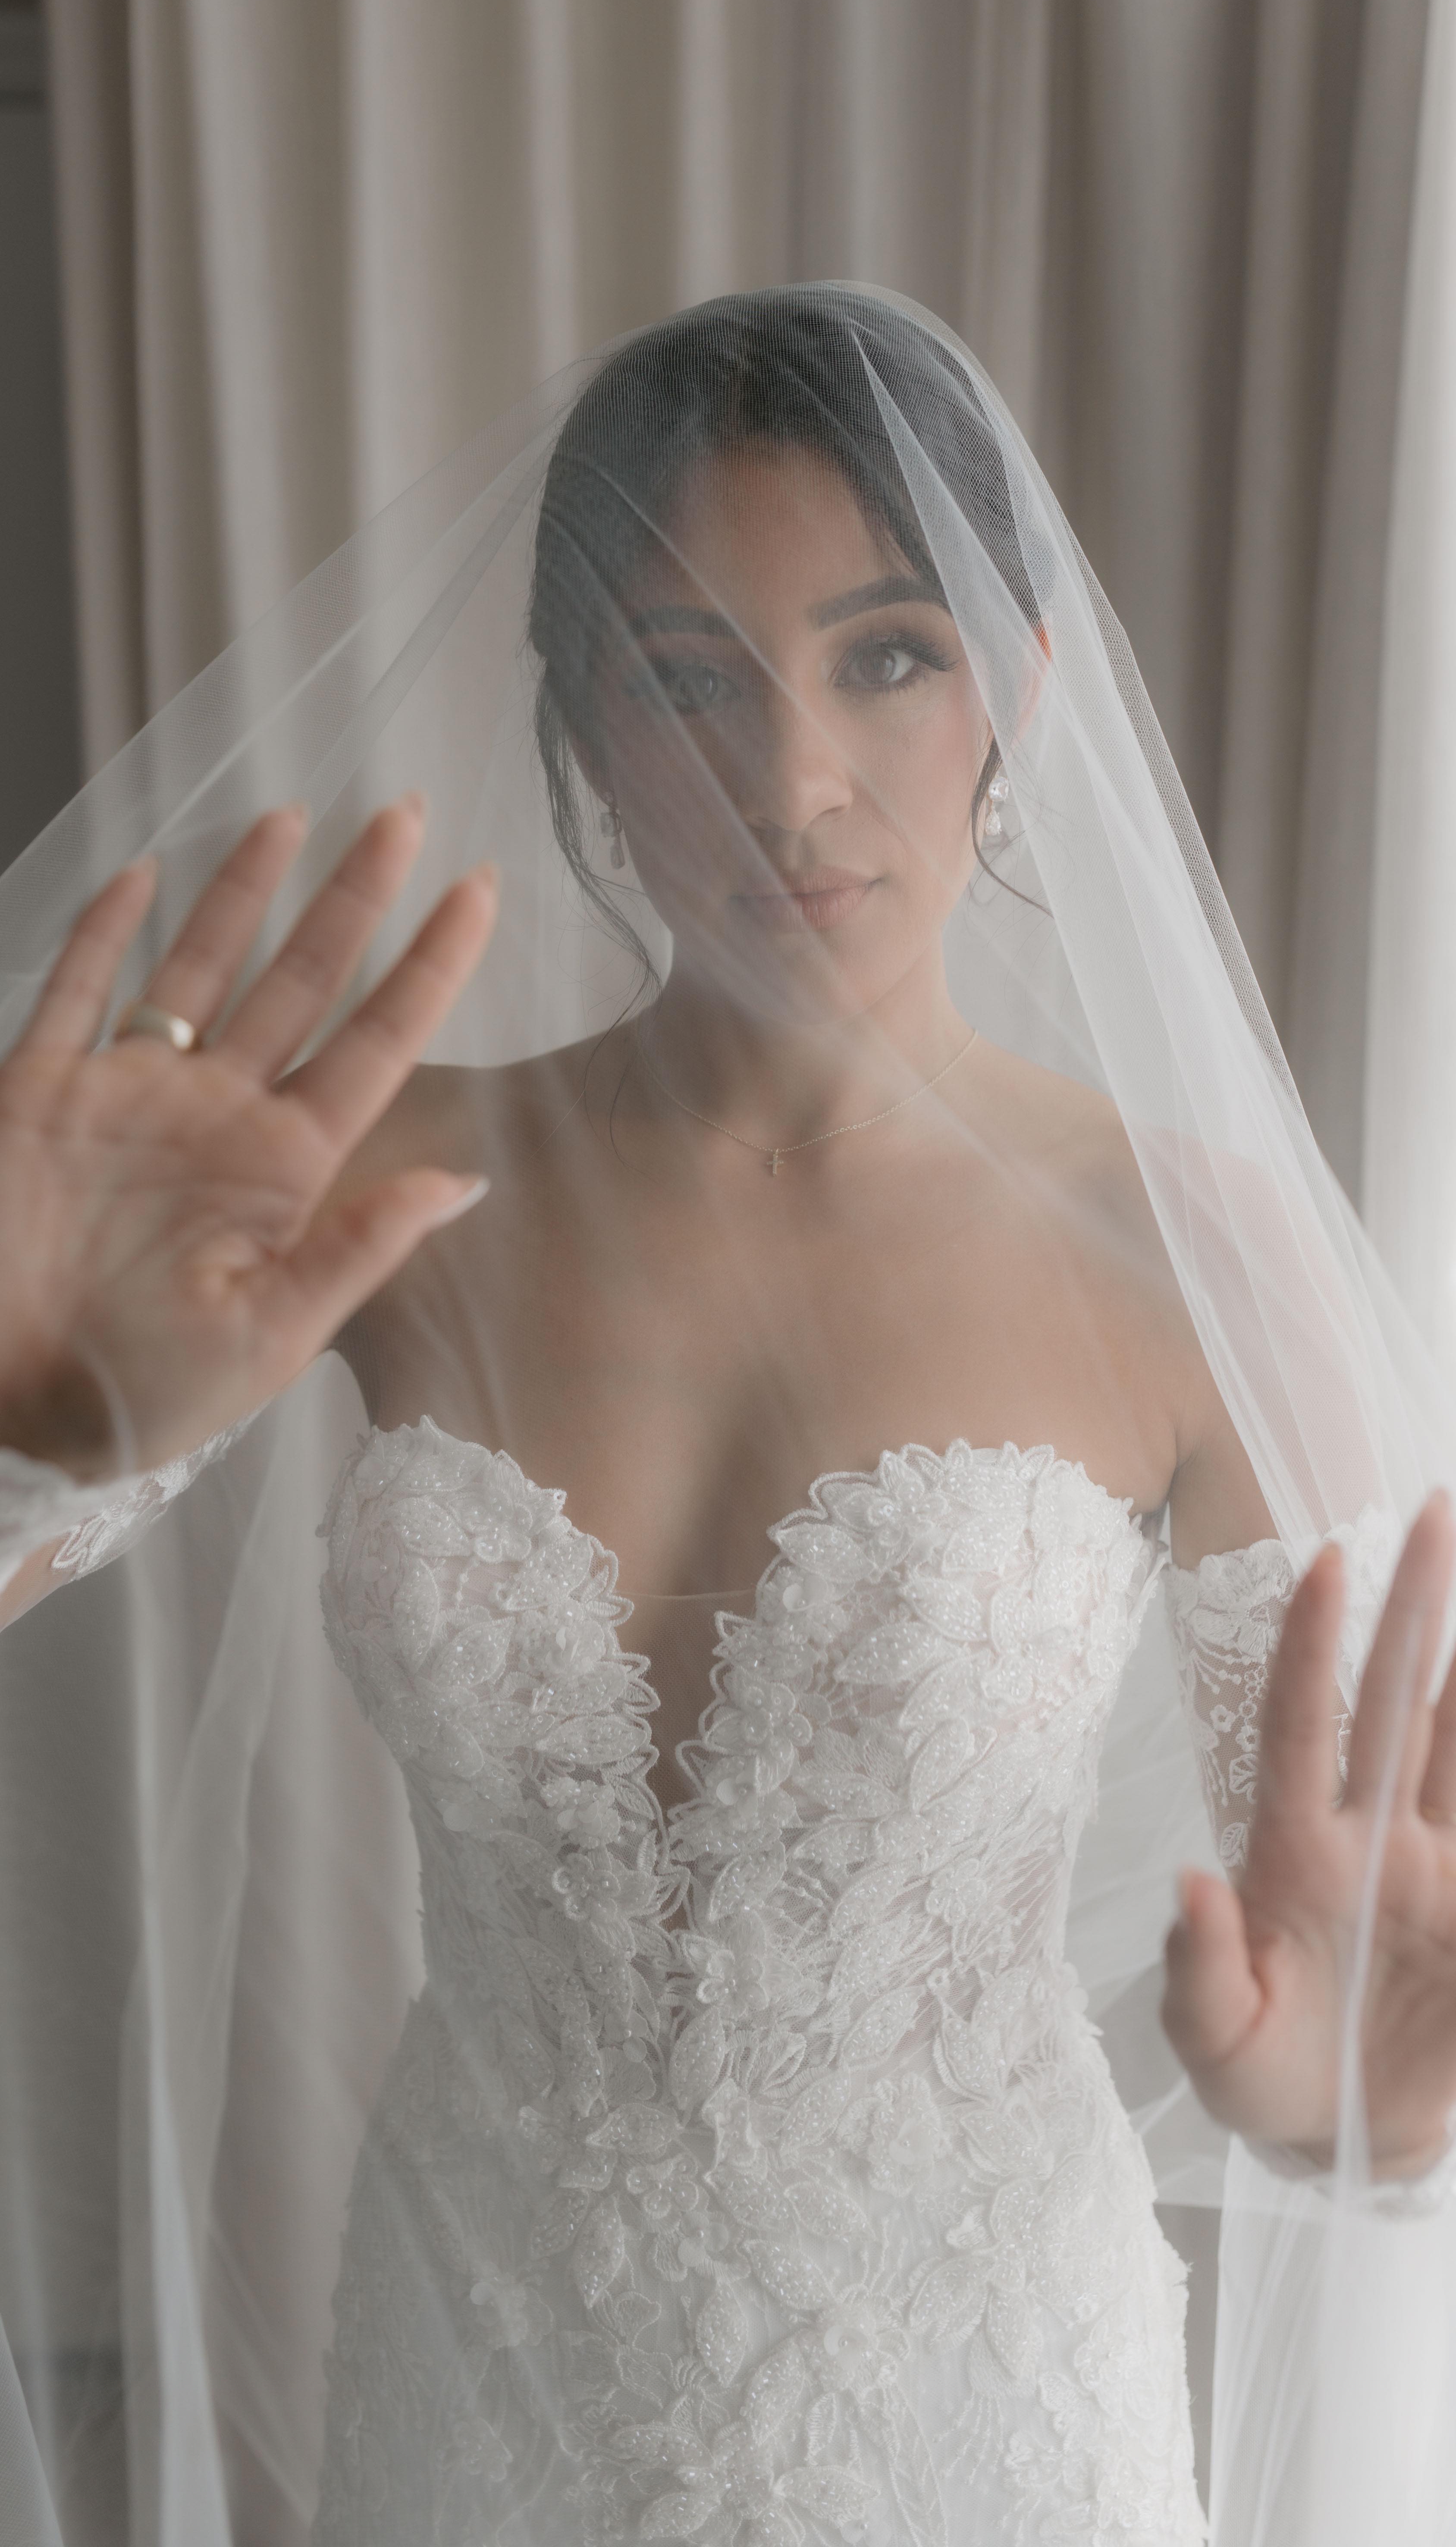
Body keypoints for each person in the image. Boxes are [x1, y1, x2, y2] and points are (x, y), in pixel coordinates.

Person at [1, 286, 1454, 2547]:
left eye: (888, 651)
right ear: (575, 719)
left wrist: (1349, 2095)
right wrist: (42, 1418)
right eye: (684, 676)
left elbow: (1369, 1961)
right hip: (477, 2372)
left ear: (1019, 679)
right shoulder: (384, 1189)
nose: (791, 781)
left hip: (987, 2414)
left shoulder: (1188, 1247)